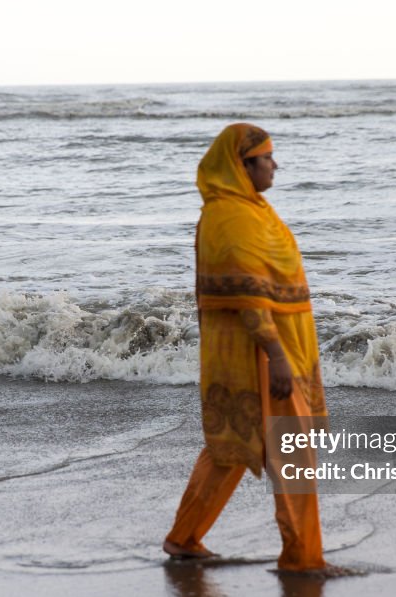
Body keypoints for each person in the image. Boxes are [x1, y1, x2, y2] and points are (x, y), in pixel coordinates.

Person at [163, 123, 335, 573]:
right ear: (242, 165)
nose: (275, 165)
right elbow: (248, 296)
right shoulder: (232, 216)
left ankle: (184, 538)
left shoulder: (248, 209)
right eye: (266, 158)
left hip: (259, 351)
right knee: (293, 452)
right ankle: (302, 557)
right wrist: (276, 356)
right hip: (258, 353)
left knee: (231, 449)